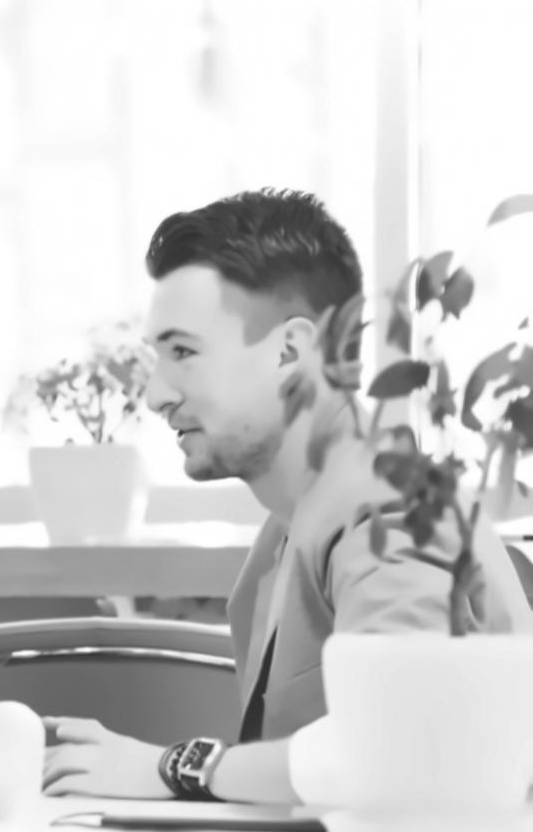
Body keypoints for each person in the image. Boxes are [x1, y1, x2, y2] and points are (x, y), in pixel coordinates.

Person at [42, 188, 533, 804]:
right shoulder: (291, 526)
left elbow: (393, 748)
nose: (156, 395)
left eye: (185, 353)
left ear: (291, 351)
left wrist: (175, 769)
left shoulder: (390, 505)